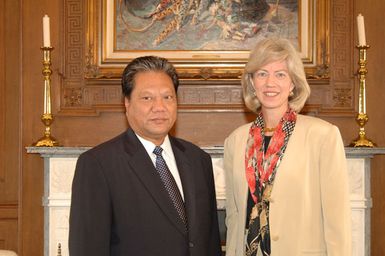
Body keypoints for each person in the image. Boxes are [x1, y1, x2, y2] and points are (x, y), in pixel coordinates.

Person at [69, 56, 221, 256]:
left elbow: (209, 242)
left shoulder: (198, 160)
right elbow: (88, 249)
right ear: (127, 103)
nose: (159, 107)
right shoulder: (98, 164)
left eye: (168, 97)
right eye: (147, 98)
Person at [224, 38, 352, 256]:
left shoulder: (322, 135)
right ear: (252, 82)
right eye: (262, 73)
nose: (270, 83)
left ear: (293, 84)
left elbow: (337, 217)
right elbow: (234, 216)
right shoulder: (235, 141)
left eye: (280, 74)